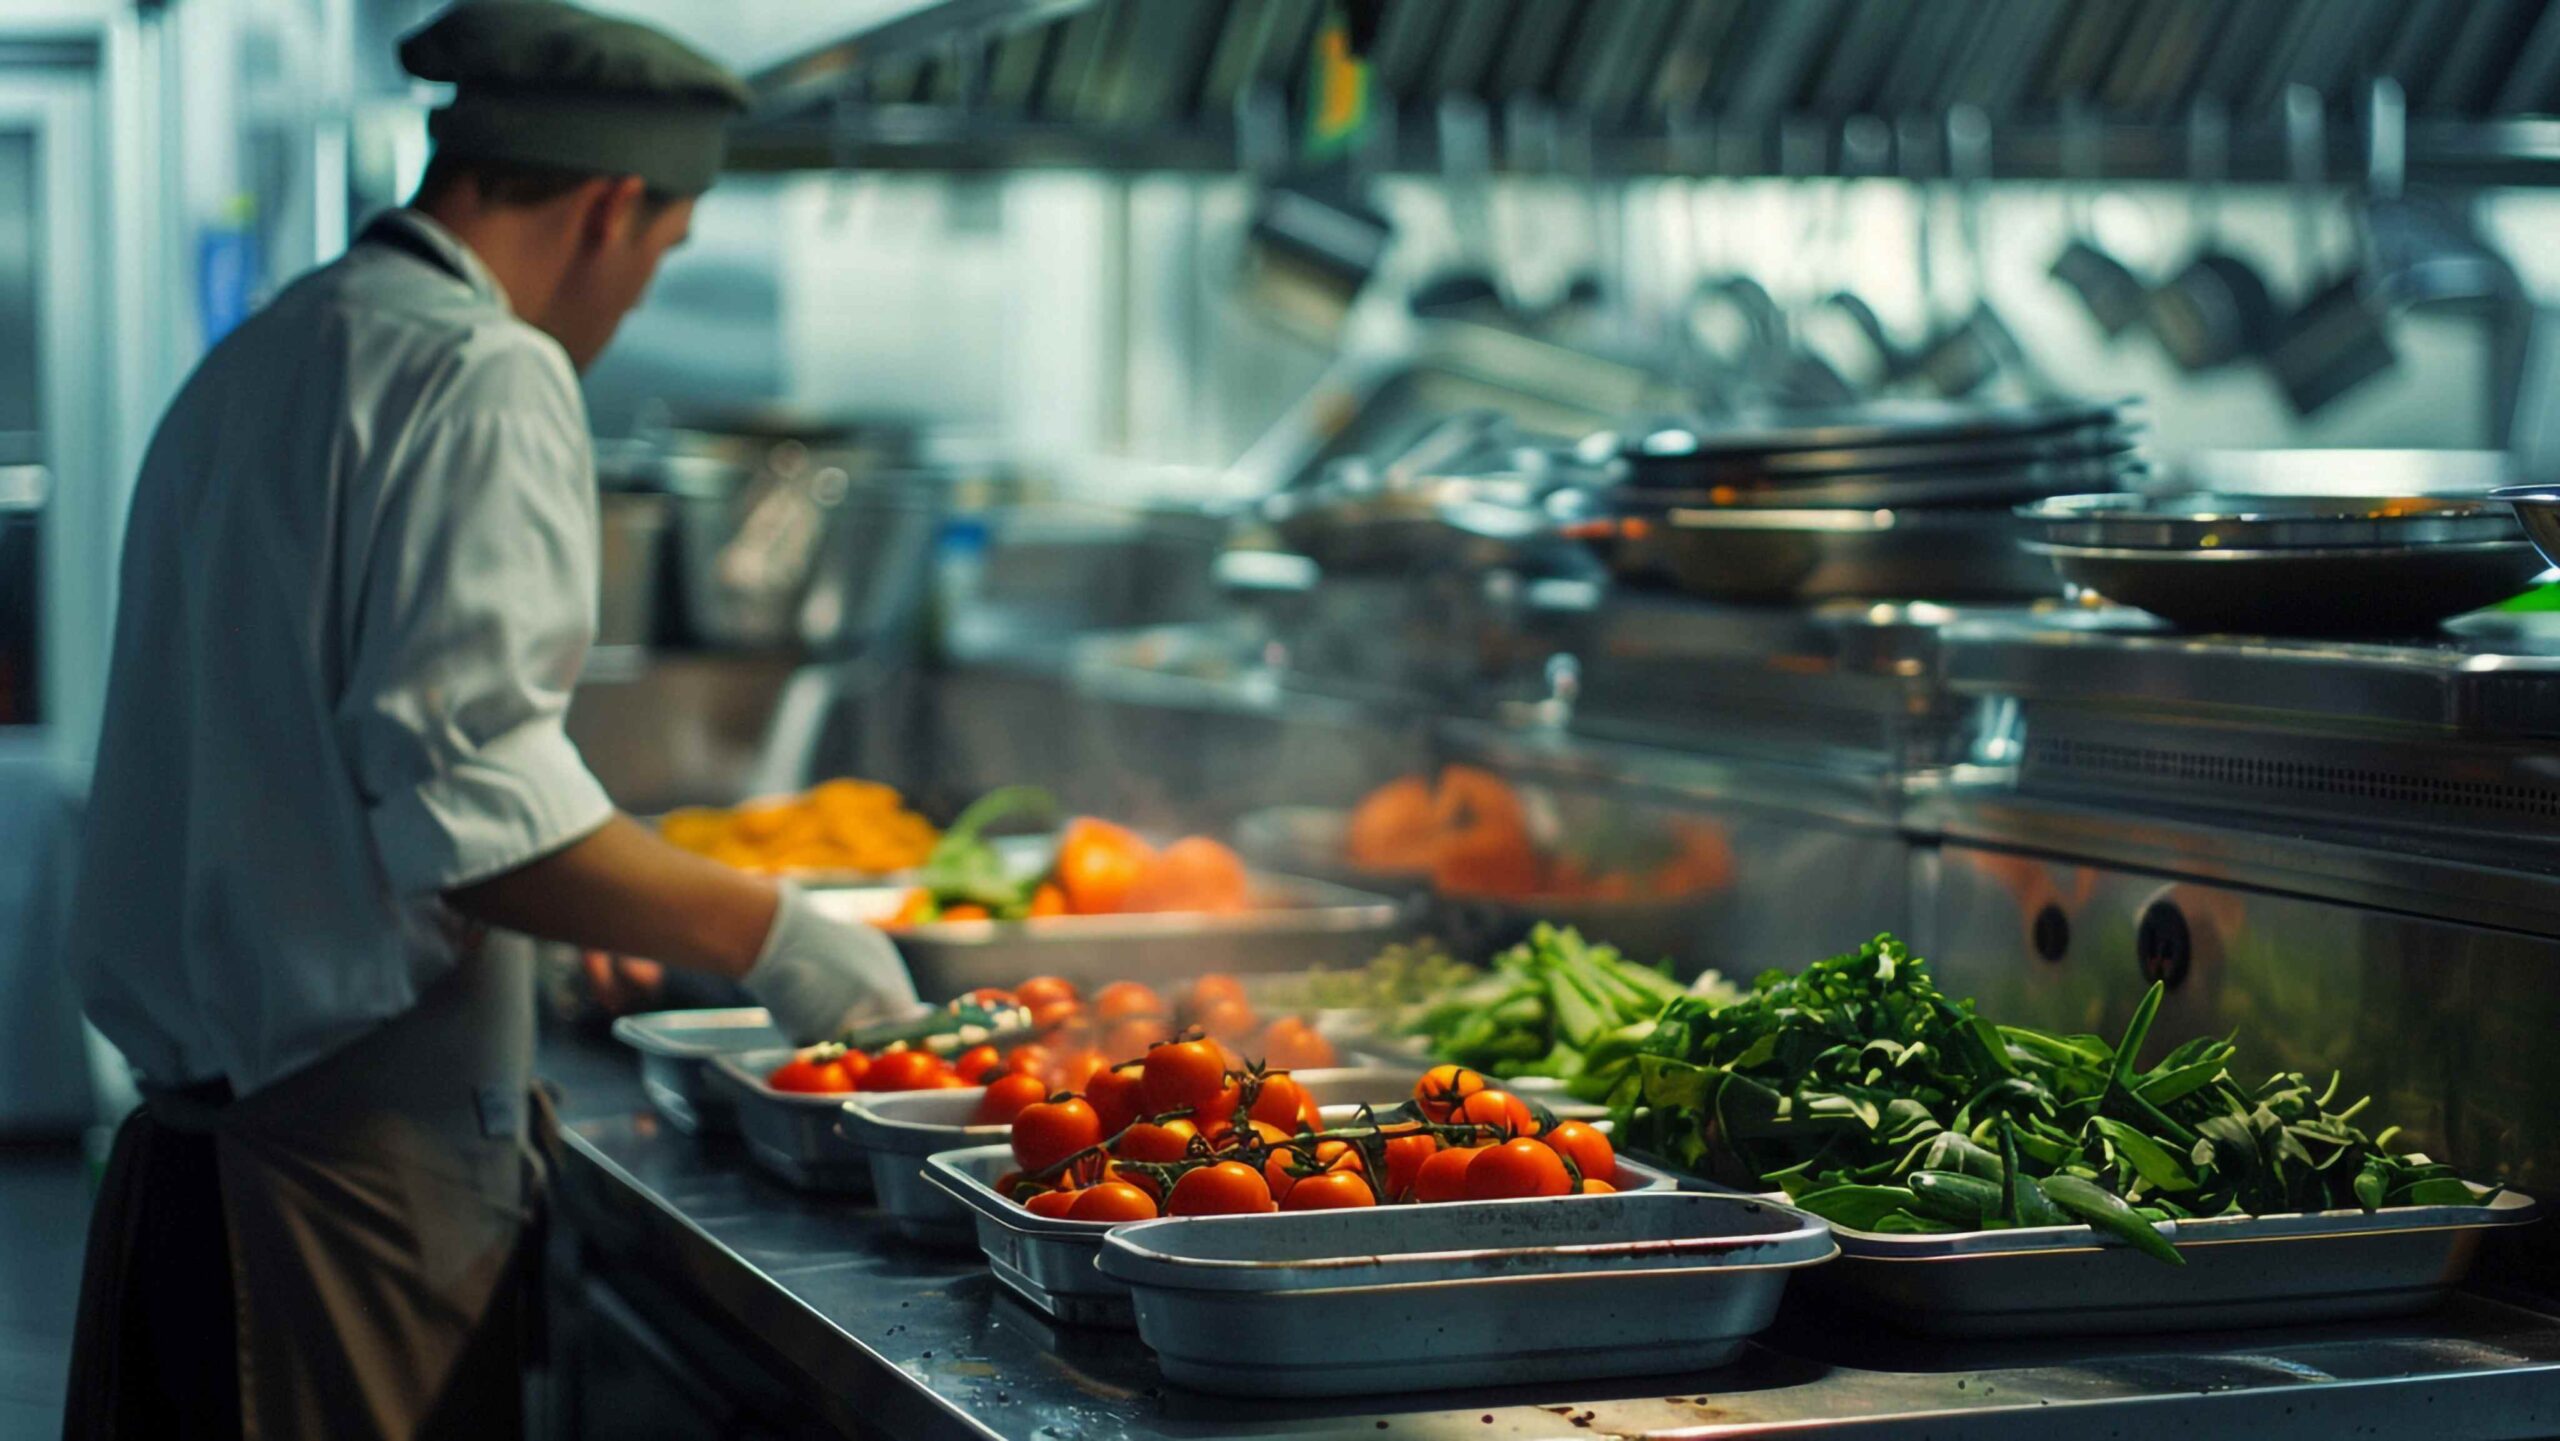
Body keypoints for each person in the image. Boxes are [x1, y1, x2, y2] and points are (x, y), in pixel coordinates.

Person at [59, 4, 920, 1436]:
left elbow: (332, 770)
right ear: (608, 206)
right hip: (333, 1185)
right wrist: (781, 936)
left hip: (201, 1159)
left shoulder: (274, 350)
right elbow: (479, 819)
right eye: (663, 251)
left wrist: (579, 917)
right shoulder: (486, 370)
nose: (639, 295)